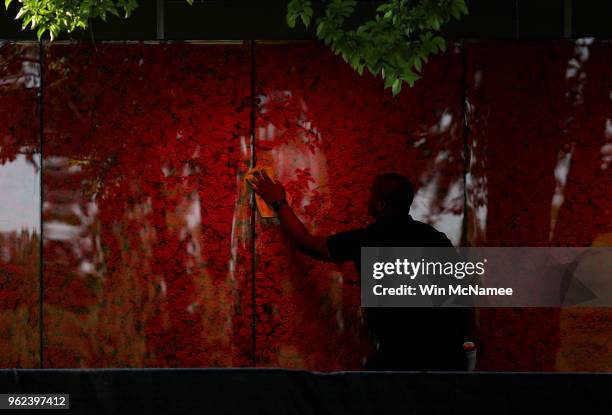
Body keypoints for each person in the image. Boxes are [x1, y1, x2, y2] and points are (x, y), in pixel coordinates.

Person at [249, 170, 476, 371]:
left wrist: (279, 203)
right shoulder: (435, 239)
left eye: (372, 196)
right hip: (444, 359)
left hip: (399, 358)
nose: (367, 200)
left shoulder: (368, 240)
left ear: (381, 205)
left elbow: (306, 243)